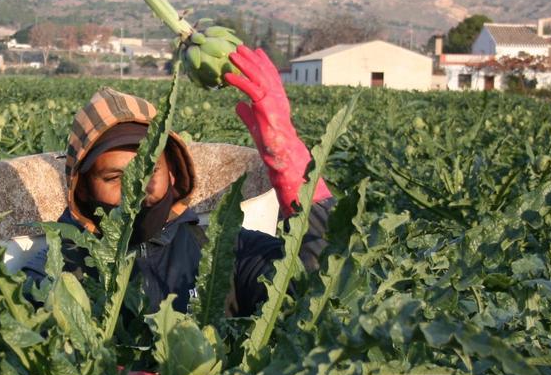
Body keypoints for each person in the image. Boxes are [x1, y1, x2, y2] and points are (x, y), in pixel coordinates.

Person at [23, 46, 334, 321]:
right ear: (82, 189)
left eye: (149, 169)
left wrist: (294, 171)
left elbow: (319, 292)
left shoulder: (225, 252)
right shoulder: (55, 275)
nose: (137, 189)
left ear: (172, 170)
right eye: (115, 177)